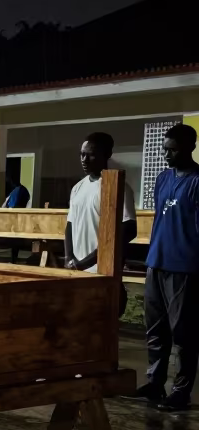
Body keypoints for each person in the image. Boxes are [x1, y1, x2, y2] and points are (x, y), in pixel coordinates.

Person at [136, 123, 199, 411]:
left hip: (184, 267)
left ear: (189, 148)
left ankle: (181, 391)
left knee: (183, 333)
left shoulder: (198, 181)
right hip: (156, 262)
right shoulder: (162, 178)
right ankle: (155, 383)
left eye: (172, 150)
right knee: (155, 329)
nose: (166, 155)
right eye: (165, 149)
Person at [65, 133, 136, 275]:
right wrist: (69, 258)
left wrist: (89, 261)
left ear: (107, 154)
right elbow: (70, 225)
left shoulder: (117, 187)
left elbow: (128, 230)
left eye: (91, 155)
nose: (84, 160)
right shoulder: (77, 188)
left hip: (102, 269)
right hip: (77, 268)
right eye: (82, 154)